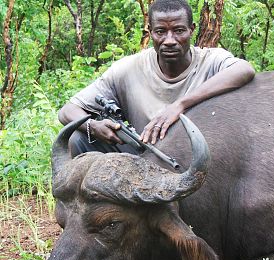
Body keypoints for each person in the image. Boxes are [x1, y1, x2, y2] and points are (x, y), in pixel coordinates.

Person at [58, 0, 255, 158]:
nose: (169, 40)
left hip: (195, 158)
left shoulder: (210, 60)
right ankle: (99, 206)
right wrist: (94, 127)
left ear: (191, 30)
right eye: (161, 32)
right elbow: (67, 111)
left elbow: (244, 69)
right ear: (150, 31)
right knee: (78, 139)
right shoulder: (128, 68)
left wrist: (179, 105)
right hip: (142, 153)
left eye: (178, 31)